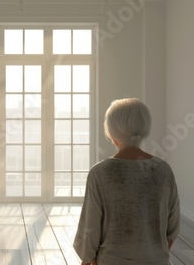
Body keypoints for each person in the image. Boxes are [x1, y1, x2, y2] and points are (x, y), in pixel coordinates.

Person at [73, 98, 180, 265]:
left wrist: (89, 259)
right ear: (145, 127)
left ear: (112, 131)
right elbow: (172, 230)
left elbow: (89, 230)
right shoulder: (163, 169)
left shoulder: (100, 172)